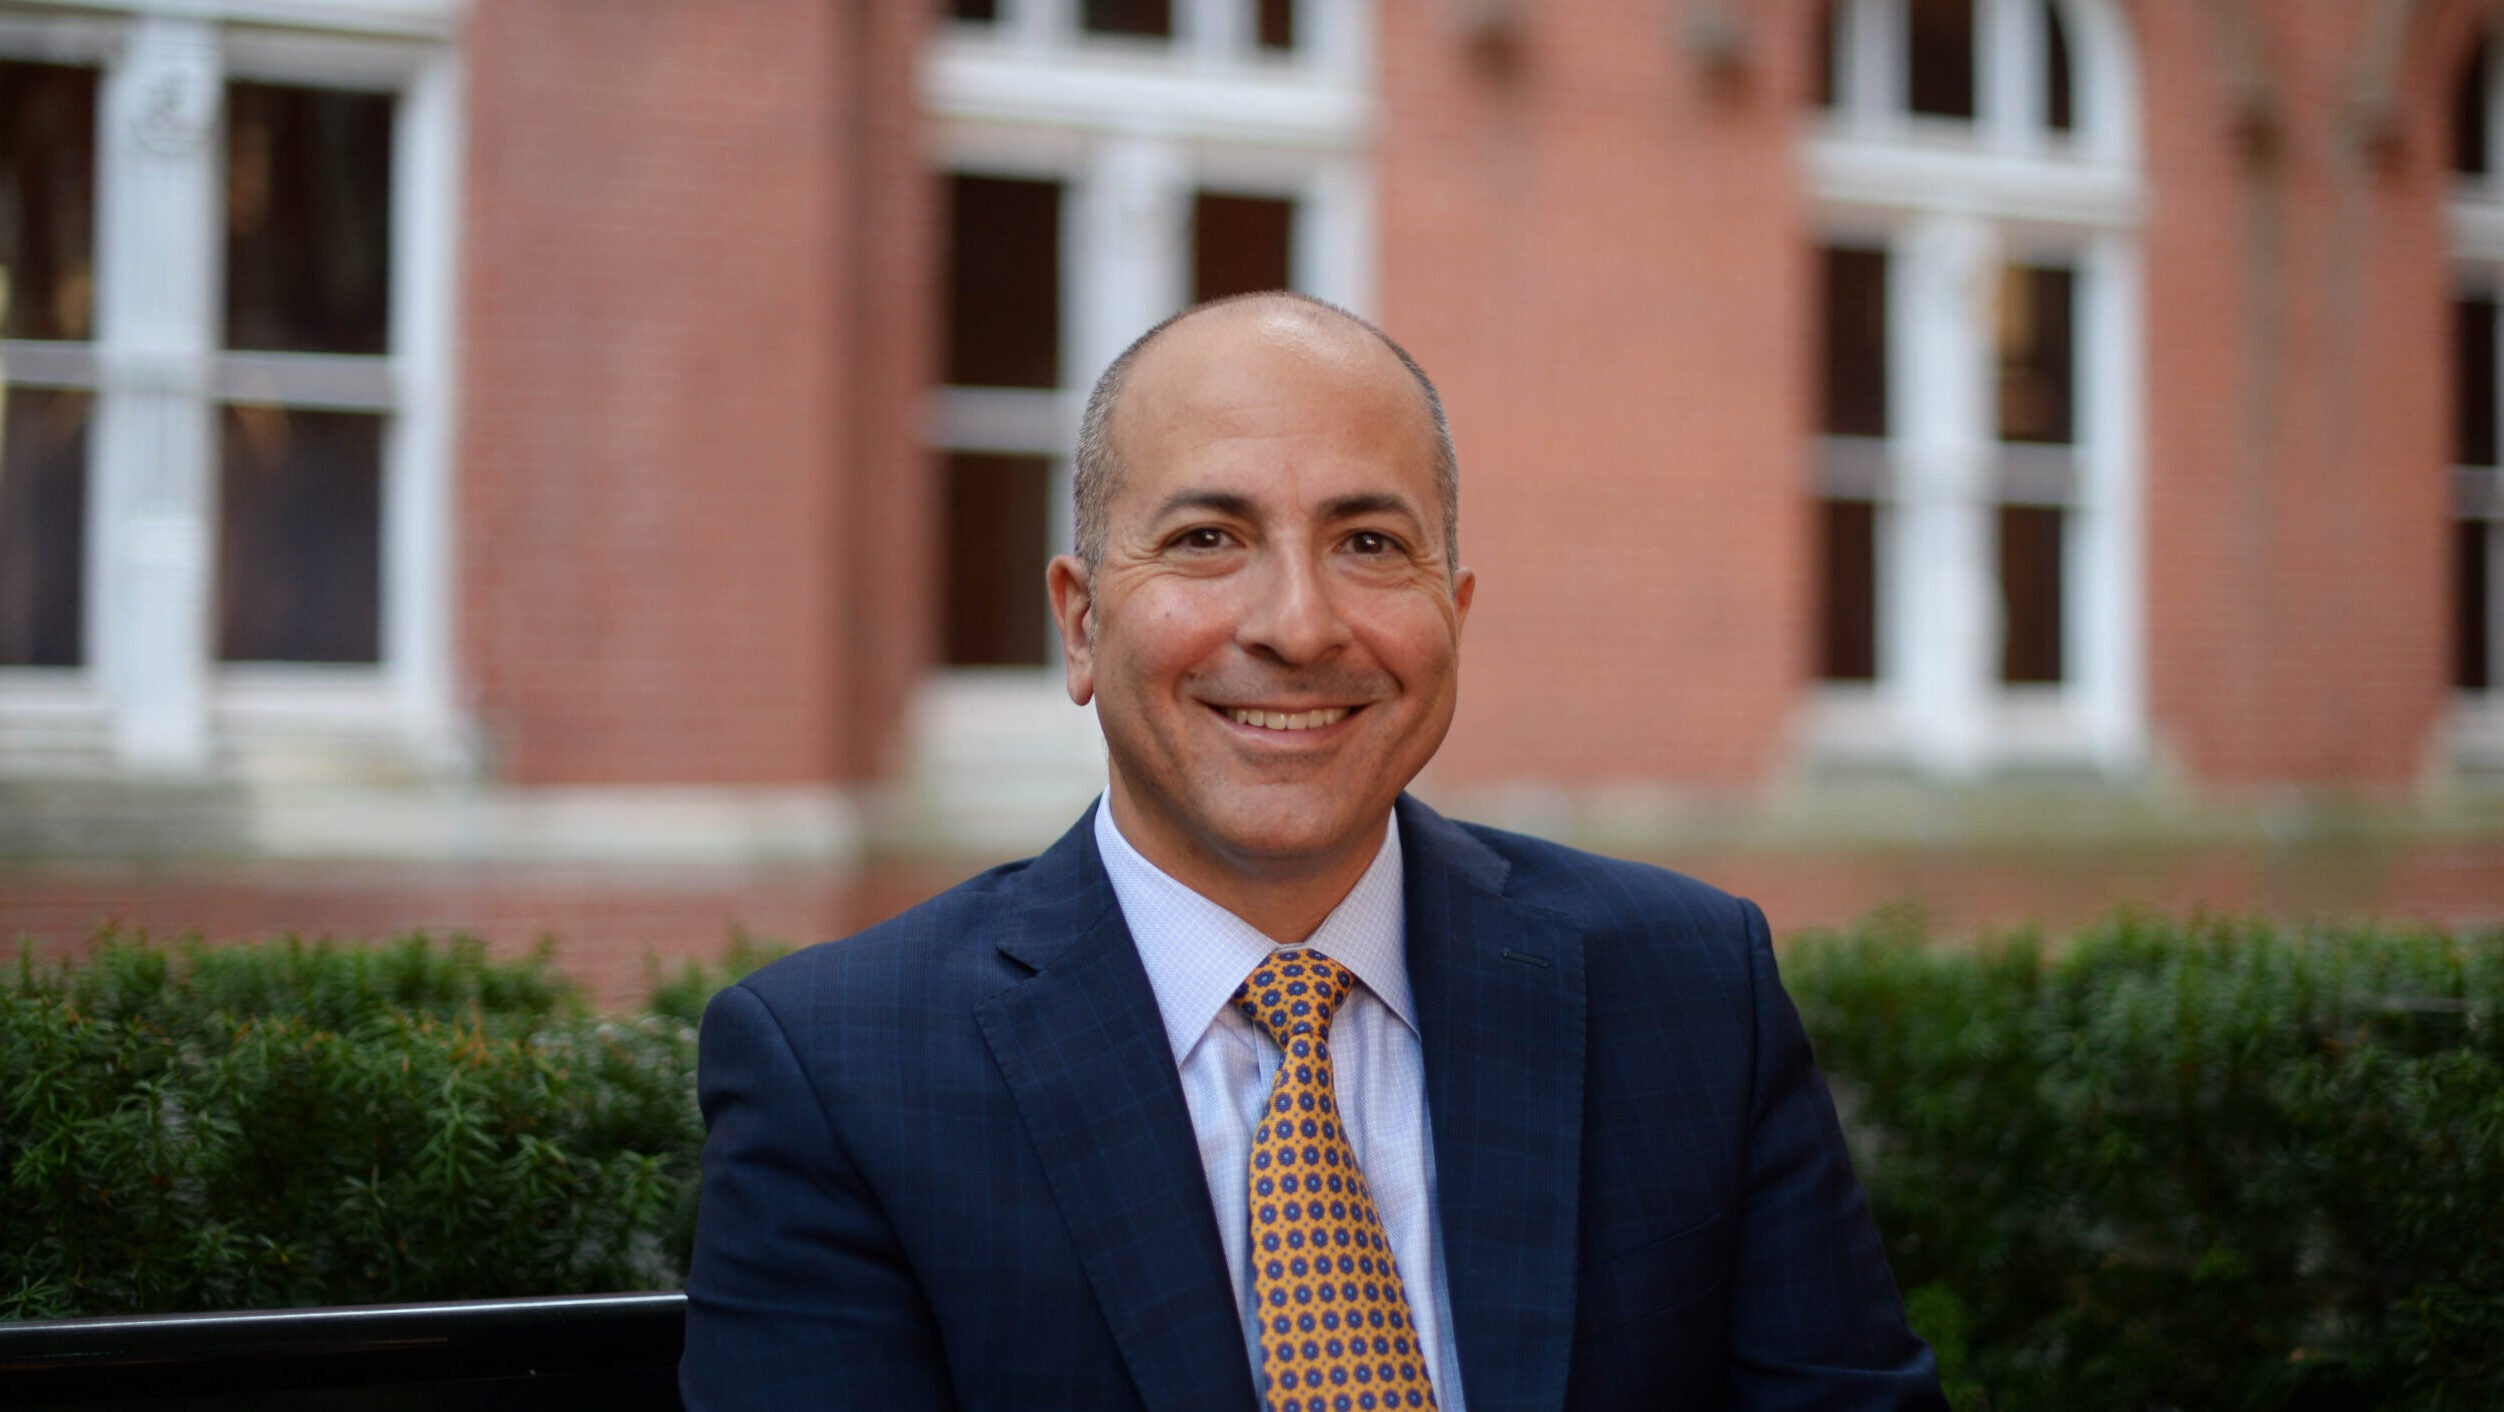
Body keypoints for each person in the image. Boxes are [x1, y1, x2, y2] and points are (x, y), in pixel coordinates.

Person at [680, 293, 1944, 1411]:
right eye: (1206, 539)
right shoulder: (840, 1073)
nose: (1297, 624)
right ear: (1078, 620)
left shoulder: (1687, 991)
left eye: (1368, 543)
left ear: (1451, 616)